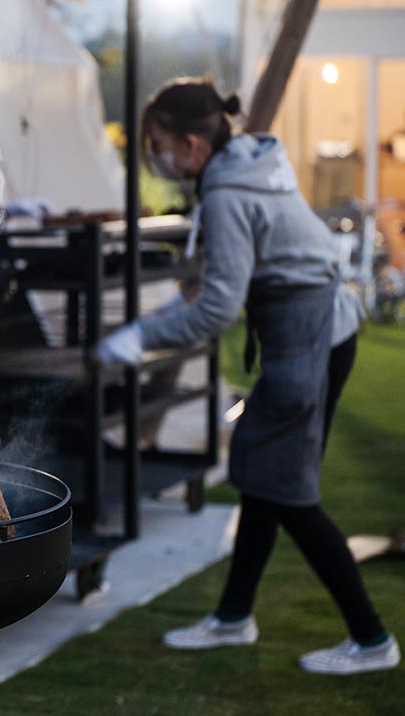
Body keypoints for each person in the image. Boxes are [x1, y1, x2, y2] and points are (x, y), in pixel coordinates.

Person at [98, 77, 398, 675]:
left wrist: (137, 338)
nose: (156, 156)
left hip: (306, 335)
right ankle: (234, 617)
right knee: (265, 477)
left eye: (159, 144)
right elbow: (212, 281)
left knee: (288, 491)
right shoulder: (242, 160)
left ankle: (371, 640)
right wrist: (155, 318)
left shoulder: (229, 193)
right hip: (321, 326)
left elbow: (215, 310)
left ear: (190, 143)